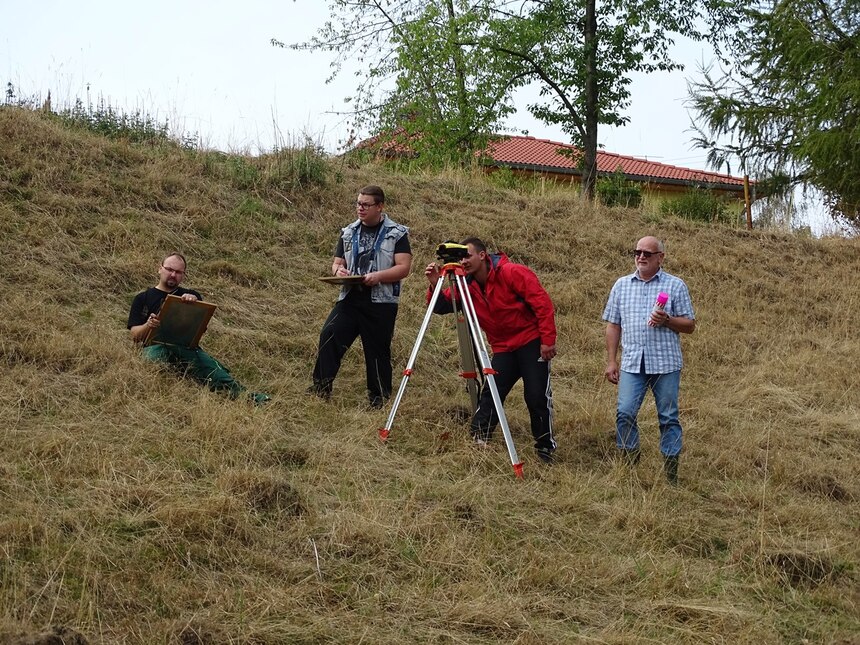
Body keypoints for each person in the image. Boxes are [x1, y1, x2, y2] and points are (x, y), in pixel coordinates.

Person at [424, 238, 558, 464]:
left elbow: (542, 304)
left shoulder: (513, 272)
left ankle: (545, 447)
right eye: (461, 258)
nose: (463, 261)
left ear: (483, 255)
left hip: (530, 341)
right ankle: (479, 438)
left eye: (468, 256)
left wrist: (547, 340)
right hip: (503, 347)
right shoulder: (465, 284)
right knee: (492, 391)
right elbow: (442, 306)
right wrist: (435, 284)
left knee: (536, 395)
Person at [602, 236, 696, 484]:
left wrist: (667, 320)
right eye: (637, 252)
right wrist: (612, 361)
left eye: (647, 253)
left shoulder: (675, 286)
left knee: (668, 417)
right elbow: (613, 324)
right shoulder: (621, 285)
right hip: (633, 363)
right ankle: (630, 468)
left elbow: (690, 325)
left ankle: (671, 474)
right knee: (625, 413)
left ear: (660, 258)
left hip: (665, 364)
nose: (641, 257)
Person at [311, 185, 412, 408]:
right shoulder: (348, 231)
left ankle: (378, 400)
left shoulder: (397, 233)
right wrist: (339, 272)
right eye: (358, 203)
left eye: (366, 205)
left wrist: (379, 276)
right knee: (329, 335)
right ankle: (320, 390)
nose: (360, 208)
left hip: (381, 302)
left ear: (380, 206)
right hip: (350, 298)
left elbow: (404, 267)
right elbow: (337, 264)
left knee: (377, 351)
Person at [127, 252, 270, 405]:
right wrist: (148, 325)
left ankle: (250, 399)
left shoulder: (192, 296)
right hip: (154, 347)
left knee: (216, 373)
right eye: (169, 269)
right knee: (152, 364)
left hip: (186, 349)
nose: (173, 275)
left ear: (183, 275)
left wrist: (194, 306)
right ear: (160, 269)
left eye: (178, 272)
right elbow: (135, 335)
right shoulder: (143, 298)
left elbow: (199, 330)